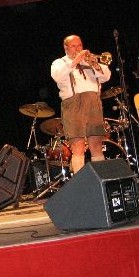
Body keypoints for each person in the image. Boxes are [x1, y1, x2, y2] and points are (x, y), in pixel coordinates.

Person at [51, 35, 111, 174]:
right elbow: (58, 76)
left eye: (79, 45)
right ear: (66, 47)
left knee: (96, 143)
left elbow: (106, 76)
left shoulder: (89, 61)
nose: (78, 49)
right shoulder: (59, 63)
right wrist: (75, 60)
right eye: (74, 46)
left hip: (93, 103)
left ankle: (101, 178)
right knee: (78, 146)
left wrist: (95, 64)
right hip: (73, 104)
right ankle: (81, 183)